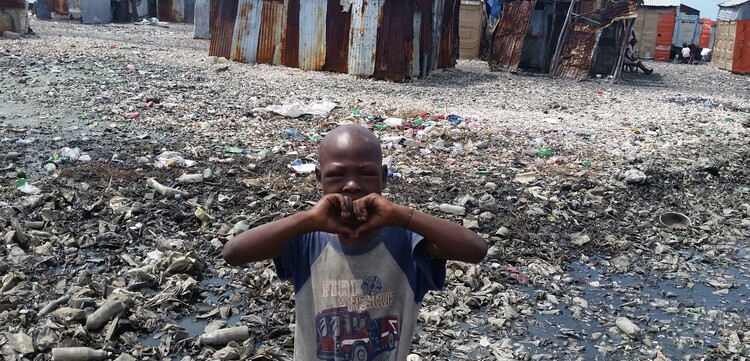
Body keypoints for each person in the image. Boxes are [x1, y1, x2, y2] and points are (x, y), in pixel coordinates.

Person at [223, 124, 488, 360]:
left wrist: (401, 215)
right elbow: (233, 253)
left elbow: (476, 250)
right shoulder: (307, 240)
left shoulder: (406, 242)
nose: (351, 185)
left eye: (366, 174)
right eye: (337, 176)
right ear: (318, 179)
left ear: (384, 177)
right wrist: (310, 219)